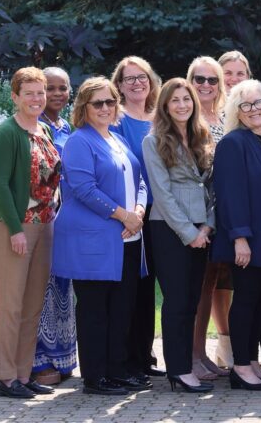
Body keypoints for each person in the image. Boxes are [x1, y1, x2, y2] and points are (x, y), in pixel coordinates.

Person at [52, 77, 149, 395]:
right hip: (94, 242)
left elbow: (140, 180)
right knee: (96, 310)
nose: (106, 108)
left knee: (122, 310)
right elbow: (83, 188)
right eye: (98, 103)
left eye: (110, 101)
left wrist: (138, 209)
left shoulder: (116, 139)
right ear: (84, 107)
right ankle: (96, 377)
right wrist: (124, 215)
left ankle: (116, 370)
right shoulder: (80, 141)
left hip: (127, 239)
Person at [0, 67, 60, 398]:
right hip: (11, 226)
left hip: (43, 225)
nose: (36, 98)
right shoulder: (7, 132)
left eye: (40, 92)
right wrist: (15, 229)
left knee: (32, 305)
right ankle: (4, 378)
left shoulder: (43, 129)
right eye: (28, 93)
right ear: (15, 96)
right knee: (11, 304)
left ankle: (23, 372)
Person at [211, 79, 261, 391]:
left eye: (258, 103)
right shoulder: (233, 143)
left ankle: (252, 361)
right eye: (246, 105)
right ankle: (240, 367)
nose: (254, 110)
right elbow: (230, 194)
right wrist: (239, 237)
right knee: (245, 302)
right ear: (236, 112)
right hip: (249, 239)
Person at [142, 78, 215, 393]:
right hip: (170, 229)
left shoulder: (202, 136)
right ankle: (179, 370)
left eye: (187, 99)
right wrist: (188, 233)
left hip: (202, 229)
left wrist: (208, 226)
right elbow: (162, 193)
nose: (183, 105)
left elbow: (212, 187)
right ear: (165, 106)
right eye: (176, 100)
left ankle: (185, 366)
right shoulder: (154, 141)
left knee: (192, 301)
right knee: (177, 301)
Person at [110, 56, 164, 380]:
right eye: (129, 79)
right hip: (130, 219)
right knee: (131, 291)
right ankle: (129, 361)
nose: (136, 83)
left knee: (150, 293)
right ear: (119, 86)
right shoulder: (115, 121)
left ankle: (145, 357)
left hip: (161, 217)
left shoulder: (159, 118)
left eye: (141, 77)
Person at [186, 56, 232, 379]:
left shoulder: (227, 117)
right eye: (199, 79)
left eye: (211, 80)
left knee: (210, 286)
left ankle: (201, 353)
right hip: (195, 216)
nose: (205, 85)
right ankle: (190, 355)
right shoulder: (185, 116)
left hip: (223, 211)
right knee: (194, 288)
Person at [32, 67, 77, 386]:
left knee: (64, 288)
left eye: (64, 87)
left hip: (68, 219)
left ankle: (63, 356)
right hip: (43, 217)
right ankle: (38, 361)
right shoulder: (33, 128)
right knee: (41, 289)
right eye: (51, 87)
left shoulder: (69, 127)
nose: (58, 93)